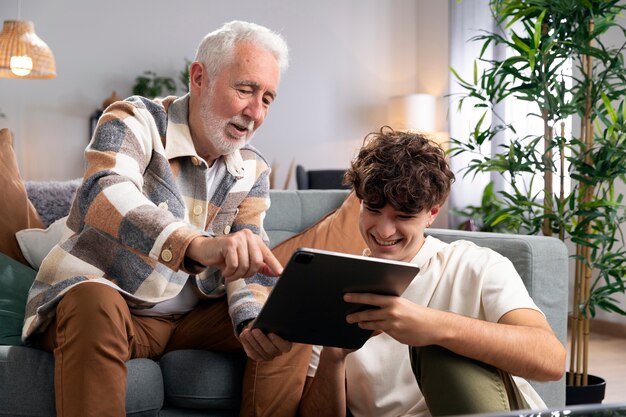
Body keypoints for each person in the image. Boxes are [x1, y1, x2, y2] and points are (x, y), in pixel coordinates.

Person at [22, 20, 309, 417]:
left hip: (189, 321)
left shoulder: (252, 168)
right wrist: (195, 244)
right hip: (111, 306)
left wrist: (251, 321)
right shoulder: (132, 120)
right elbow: (104, 192)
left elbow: (249, 259)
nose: (254, 112)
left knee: (286, 324)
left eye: (267, 98)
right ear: (199, 78)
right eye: (245, 90)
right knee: (91, 300)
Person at [298, 127, 566, 417]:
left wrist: (434, 326)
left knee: (436, 347)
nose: (384, 231)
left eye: (403, 217)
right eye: (373, 210)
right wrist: (333, 357)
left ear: (432, 213)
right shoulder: (336, 288)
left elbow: (551, 360)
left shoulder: (477, 265)